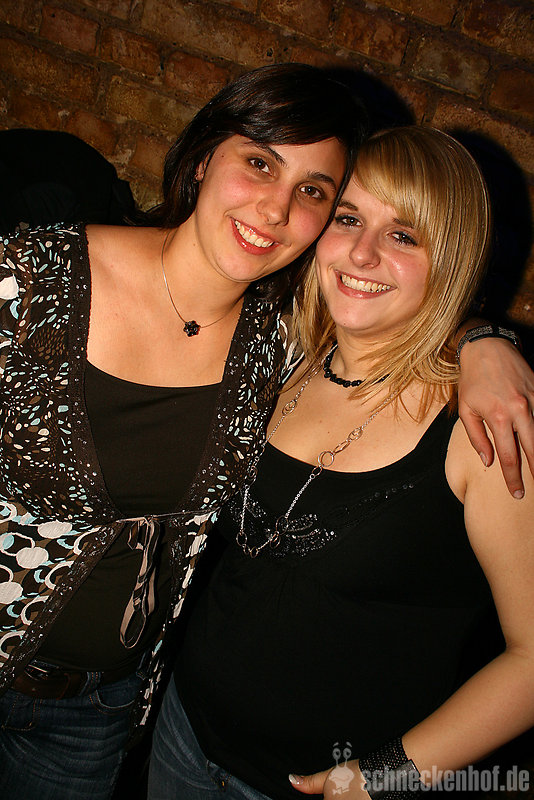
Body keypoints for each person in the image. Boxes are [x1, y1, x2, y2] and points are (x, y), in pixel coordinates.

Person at [0, 63, 366, 800]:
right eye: (259, 162)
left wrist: (487, 342)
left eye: (313, 191)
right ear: (203, 159)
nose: (275, 207)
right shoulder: (32, 277)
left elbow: (410, 326)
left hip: (95, 713)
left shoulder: (280, 349)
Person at [149, 127, 534, 800]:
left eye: (404, 235)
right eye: (349, 218)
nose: (361, 253)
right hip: (182, 738)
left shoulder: (485, 427)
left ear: (452, 259)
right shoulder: (286, 357)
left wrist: (386, 777)